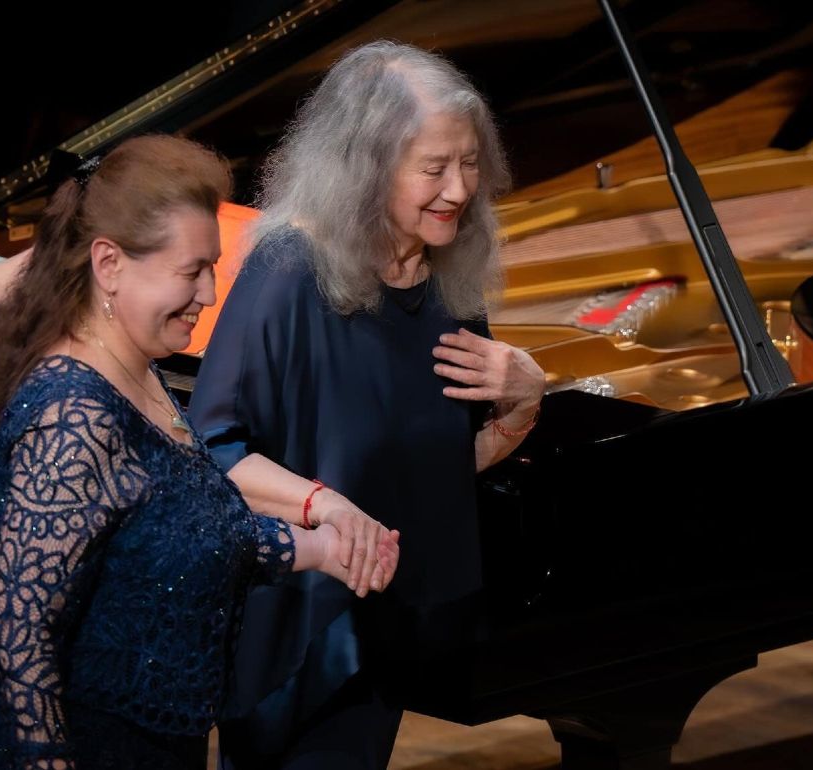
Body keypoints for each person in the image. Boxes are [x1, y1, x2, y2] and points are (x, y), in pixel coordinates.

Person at [0, 134, 399, 770]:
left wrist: (325, 546)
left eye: (213, 267)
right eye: (191, 271)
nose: (211, 294)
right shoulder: (72, 420)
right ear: (109, 265)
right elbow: (17, 641)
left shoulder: (137, 369)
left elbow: (181, 535)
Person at [188, 41, 546, 770]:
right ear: (367, 166)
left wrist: (524, 404)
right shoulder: (289, 269)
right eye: (434, 167)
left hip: (386, 616)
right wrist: (326, 507)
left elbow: (443, 459)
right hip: (295, 626)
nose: (459, 189)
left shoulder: (448, 278)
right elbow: (211, 452)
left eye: (470, 162)